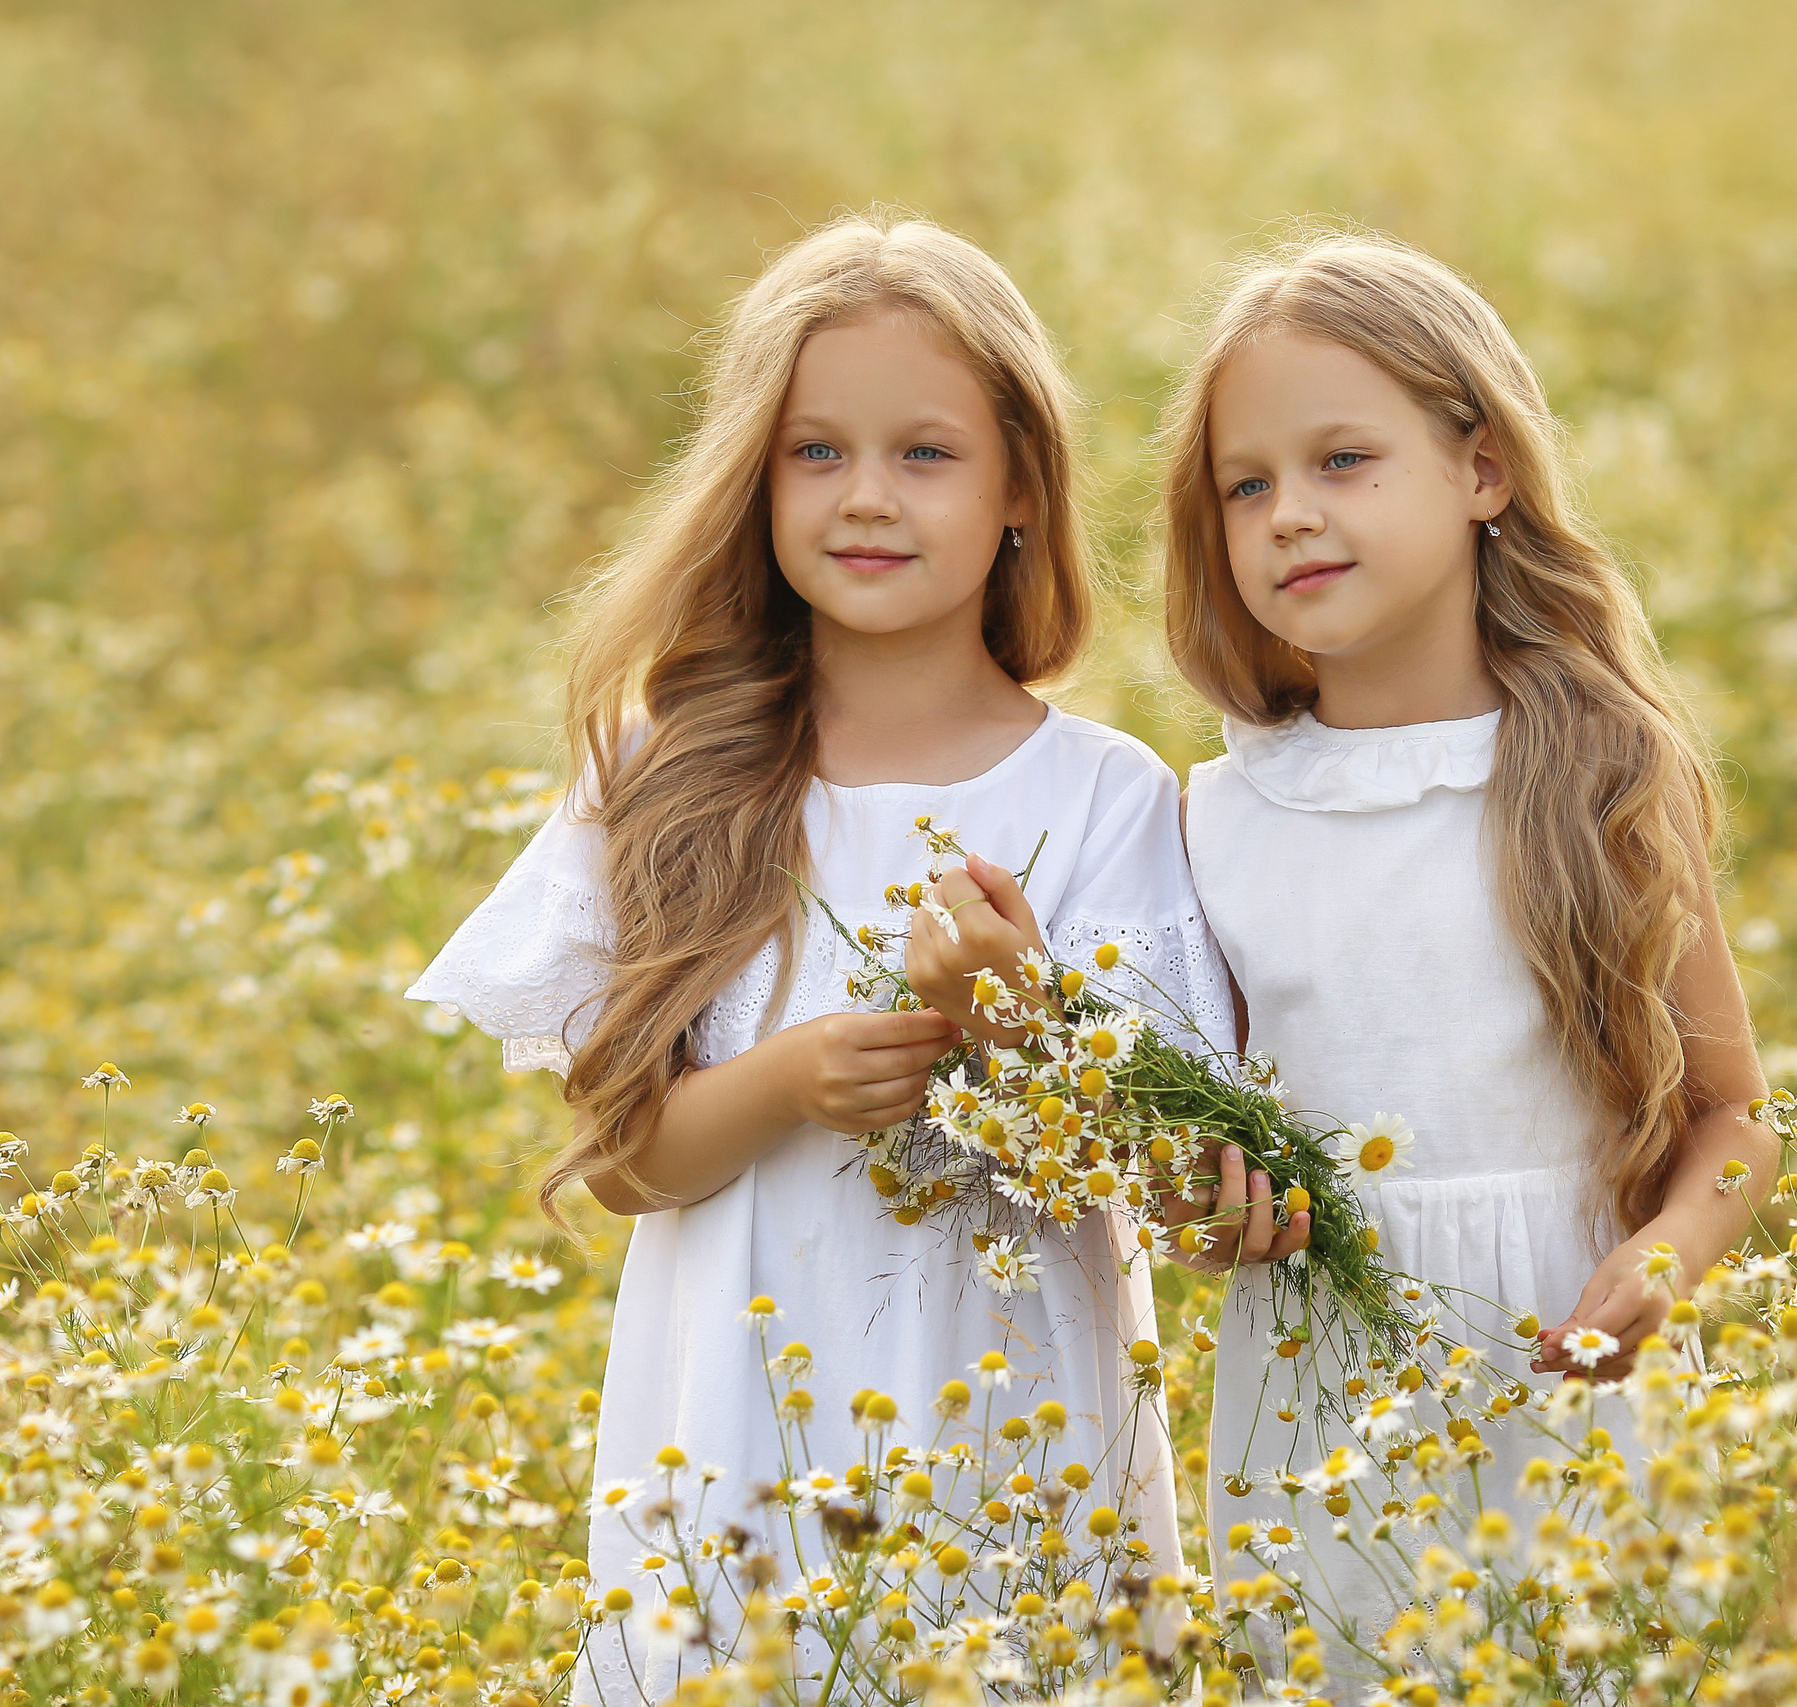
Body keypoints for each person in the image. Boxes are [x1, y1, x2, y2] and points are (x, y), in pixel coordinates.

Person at [404, 214, 1230, 1700]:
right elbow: (622, 1164)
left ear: (1020, 488)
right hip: (734, 1432)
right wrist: (787, 1079)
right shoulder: (672, 767)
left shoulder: (1104, 797)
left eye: (926, 454)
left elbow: (1170, 1183)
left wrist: (1021, 1023)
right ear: (755, 479)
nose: (866, 497)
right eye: (815, 453)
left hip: (1016, 1439)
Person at [1153, 232, 1776, 1669]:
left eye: (1343, 462)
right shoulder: (1221, 814)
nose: (1289, 516)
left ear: (1482, 471)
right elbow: (1198, 1180)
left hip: (1574, 1369)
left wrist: (1672, 1254)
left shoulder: (1604, 767)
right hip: (1323, 1397)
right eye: (1247, 486)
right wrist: (1210, 1218)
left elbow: (1734, 1116)